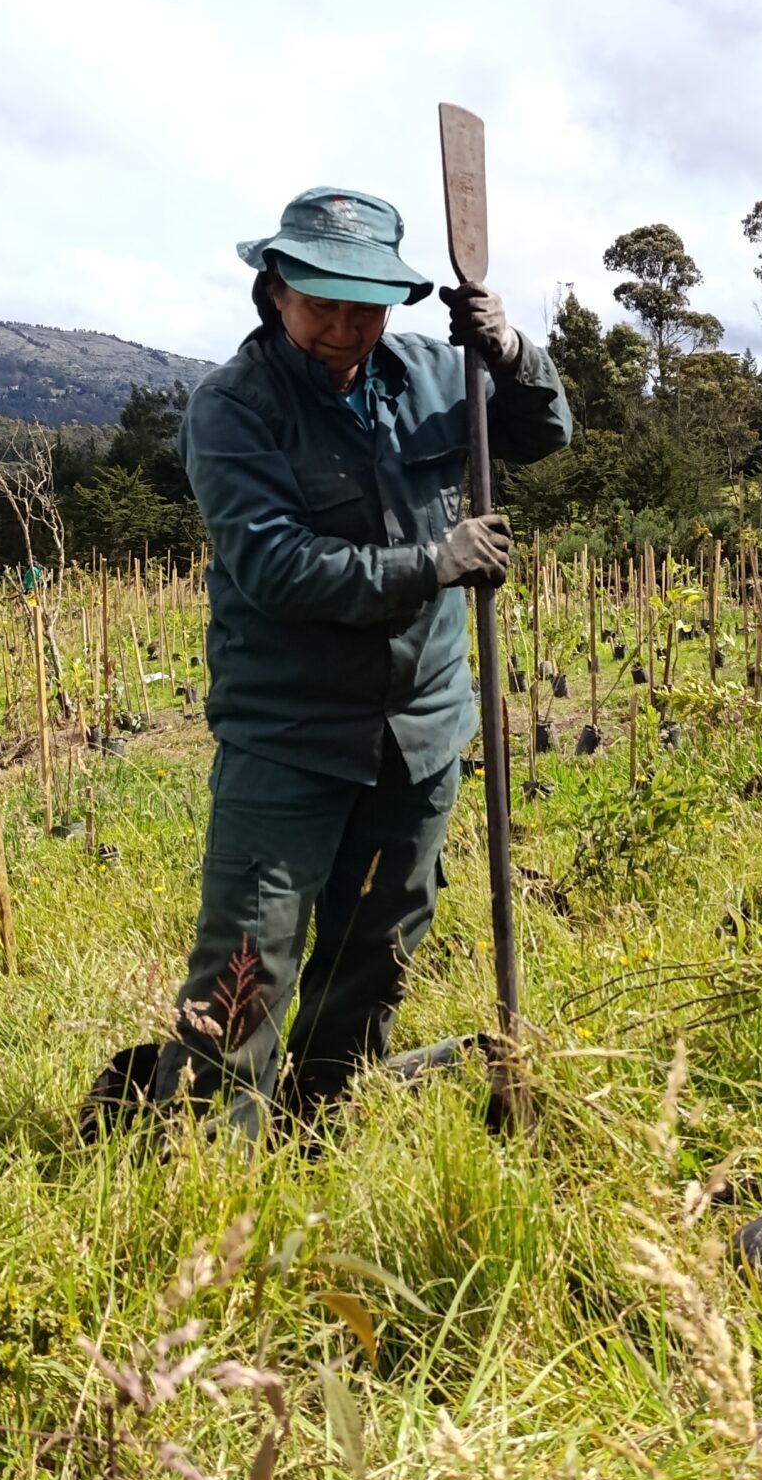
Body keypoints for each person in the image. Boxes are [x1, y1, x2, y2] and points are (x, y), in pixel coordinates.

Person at [150, 186, 573, 1137]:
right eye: (321, 301)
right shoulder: (232, 410)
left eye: (366, 303)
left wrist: (509, 353)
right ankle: (211, 1159)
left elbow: (544, 434)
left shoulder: (434, 373)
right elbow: (276, 565)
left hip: (418, 725)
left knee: (380, 943)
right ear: (275, 290)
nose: (345, 325)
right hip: (290, 730)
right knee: (249, 957)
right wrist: (432, 562)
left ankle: (321, 1118)